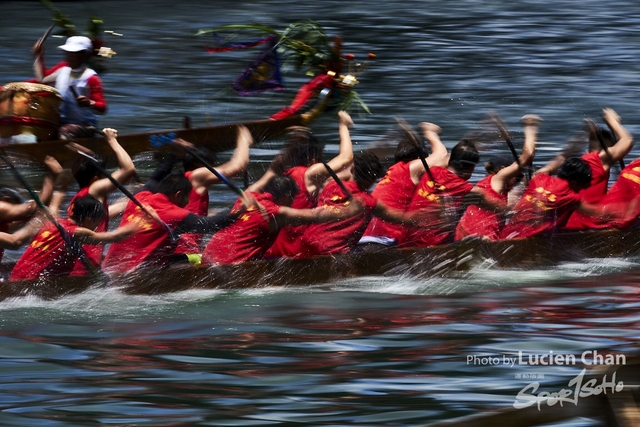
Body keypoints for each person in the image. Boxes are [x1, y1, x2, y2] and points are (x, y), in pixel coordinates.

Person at [247, 111, 355, 258]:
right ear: (312, 160)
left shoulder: (282, 176)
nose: (322, 163)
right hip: (294, 253)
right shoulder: (309, 175)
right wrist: (343, 126)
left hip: (270, 250)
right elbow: (345, 159)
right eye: (321, 158)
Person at [202, 173, 366, 265]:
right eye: (293, 198)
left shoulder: (246, 198)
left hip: (208, 258)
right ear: (287, 196)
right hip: (229, 266)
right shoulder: (275, 212)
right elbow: (315, 216)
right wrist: (348, 210)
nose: (293, 202)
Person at [102, 173, 241, 274]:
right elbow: (213, 225)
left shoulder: (139, 197)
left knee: (180, 259)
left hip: (109, 269)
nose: (187, 202)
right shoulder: (175, 215)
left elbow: (152, 180)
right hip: (136, 276)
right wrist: (240, 209)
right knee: (206, 265)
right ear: (179, 195)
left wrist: (173, 156)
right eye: (187, 197)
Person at [154, 126, 253, 263]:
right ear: (199, 164)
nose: (215, 171)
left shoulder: (171, 184)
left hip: (168, 252)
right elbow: (237, 166)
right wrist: (244, 139)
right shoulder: (196, 176)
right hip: (186, 254)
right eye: (213, 166)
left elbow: (193, 215)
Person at [357, 121, 448, 251]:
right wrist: (431, 134)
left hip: (364, 239)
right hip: (385, 241)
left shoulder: (392, 173)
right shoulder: (410, 168)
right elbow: (441, 156)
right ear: (417, 159)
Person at [58, 128, 136, 276]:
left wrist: (135, 193)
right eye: (103, 176)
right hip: (85, 268)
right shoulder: (95, 188)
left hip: (80, 263)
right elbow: (128, 169)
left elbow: (109, 212)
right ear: (95, 179)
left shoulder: (82, 199)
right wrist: (112, 140)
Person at [9, 196, 137, 281]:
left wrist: (60, 183)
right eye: (97, 222)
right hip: (31, 283)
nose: (98, 226)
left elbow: (55, 202)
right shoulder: (76, 232)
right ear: (88, 220)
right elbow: (112, 237)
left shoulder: (53, 222)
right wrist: (137, 224)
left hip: (16, 276)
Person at [455, 114, 540, 241]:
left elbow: (511, 209)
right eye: (516, 176)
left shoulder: (485, 184)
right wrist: (530, 128)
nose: (516, 181)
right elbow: (527, 157)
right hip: (482, 239)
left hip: (462, 236)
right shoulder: (498, 179)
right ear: (503, 169)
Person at [400, 137, 481, 248]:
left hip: (406, 241)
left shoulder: (432, 170)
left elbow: (442, 156)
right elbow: (498, 207)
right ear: (471, 169)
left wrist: (431, 134)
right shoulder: (468, 189)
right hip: (434, 247)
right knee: (479, 241)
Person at [563, 108, 634, 230]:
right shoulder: (597, 160)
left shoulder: (581, 162)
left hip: (568, 224)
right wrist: (613, 121)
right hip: (585, 227)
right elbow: (628, 141)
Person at [32, 35, 107, 140]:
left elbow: (102, 108)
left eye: (74, 54)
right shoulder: (62, 69)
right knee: (39, 130)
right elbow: (42, 79)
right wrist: (39, 55)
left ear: (85, 55)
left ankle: (87, 154)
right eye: (68, 53)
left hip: (85, 125)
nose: (69, 56)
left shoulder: (91, 78)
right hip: (62, 121)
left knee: (65, 131)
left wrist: (89, 103)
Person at [500, 157, 593, 240]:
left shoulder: (538, 178)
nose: (583, 189)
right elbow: (595, 212)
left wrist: (555, 163)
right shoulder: (573, 197)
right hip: (530, 241)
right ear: (574, 182)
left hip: (507, 235)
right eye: (583, 185)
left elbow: (548, 168)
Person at [0, 155, 62, 262]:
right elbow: (15, 241)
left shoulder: (3, 225)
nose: (14, 220)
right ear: (5, 200)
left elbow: (36, 211)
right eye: (14, 206)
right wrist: (51, 177)